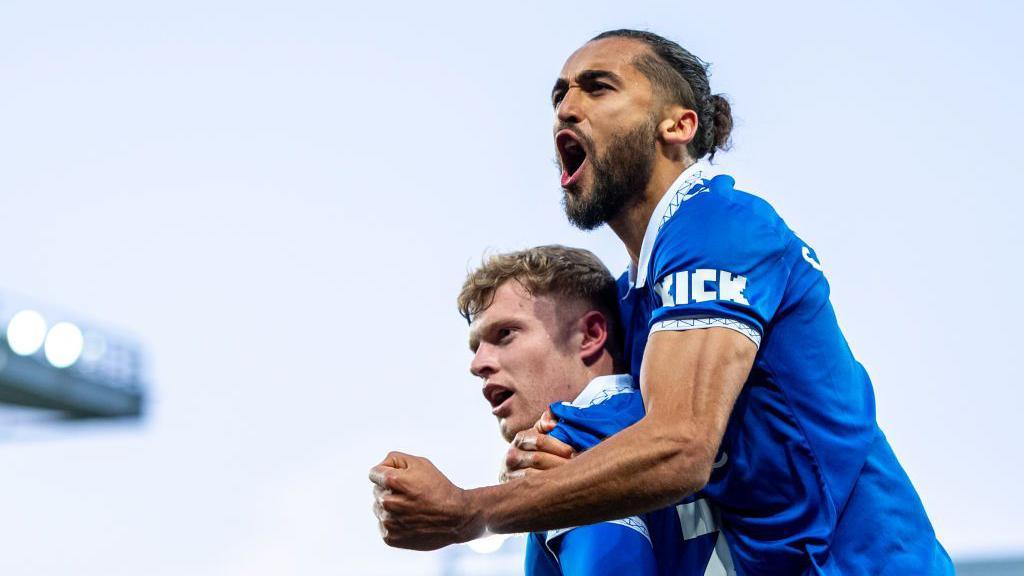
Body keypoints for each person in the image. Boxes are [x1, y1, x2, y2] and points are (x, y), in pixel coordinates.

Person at [371, 29, 954, 574]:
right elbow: (615, 429)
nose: (566, 107)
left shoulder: (718, 225)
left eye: (598, 87)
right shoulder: (634, 297)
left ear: (677, 125)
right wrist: (553, 452)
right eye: (559, 94)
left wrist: (470, 511)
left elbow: (681, 446)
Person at [456, 245, 724, 575]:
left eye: (505, 334)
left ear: (590, 334)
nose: (478, 364)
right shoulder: (700, 419)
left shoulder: (565, 443)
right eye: (476, 347)